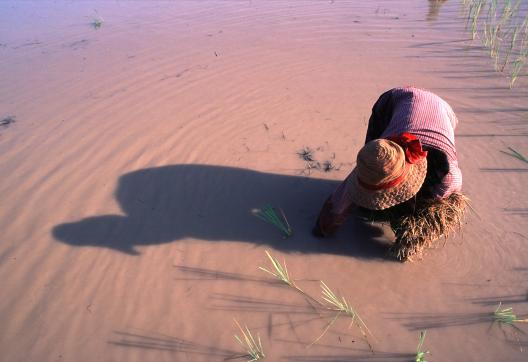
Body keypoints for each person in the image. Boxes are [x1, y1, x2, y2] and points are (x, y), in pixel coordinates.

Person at [313, 86, 468, 261]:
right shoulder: (378, 157)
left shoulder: (448, 178)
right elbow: (338, 202)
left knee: (418, 204)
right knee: (372, 151)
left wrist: (411, 214)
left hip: (443, 111)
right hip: (395, 101)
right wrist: (323, 228)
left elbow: (434, 207)